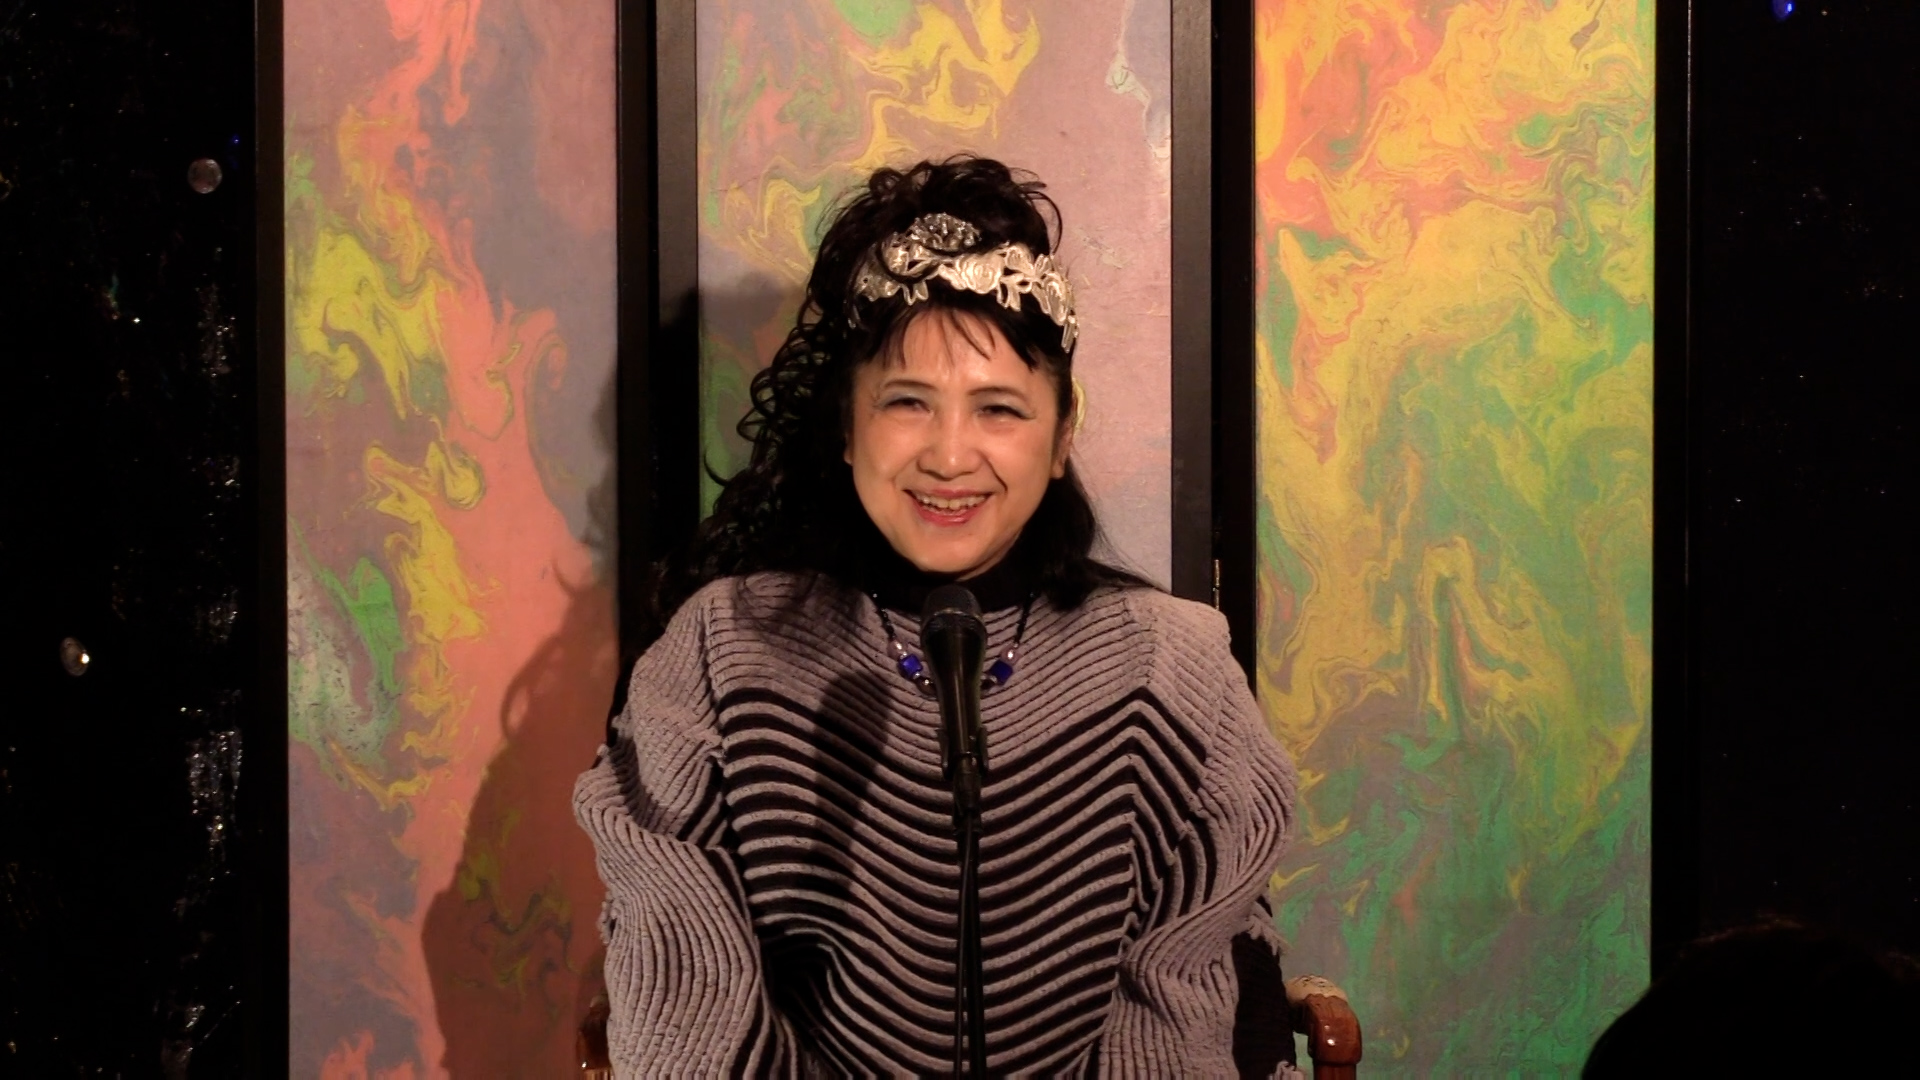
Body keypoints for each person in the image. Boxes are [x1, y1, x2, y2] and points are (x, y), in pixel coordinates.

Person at [573, 156, 1299, 1075]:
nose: (950, 458)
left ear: (1061, 436)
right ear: (847, 427)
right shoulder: (720, 657)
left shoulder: (1171, 670)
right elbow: (686, 1005)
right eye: (909, 403)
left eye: (999, 410)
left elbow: (1188, 1001)